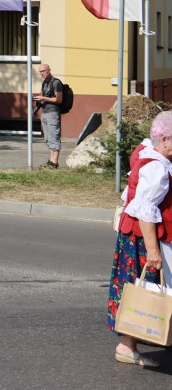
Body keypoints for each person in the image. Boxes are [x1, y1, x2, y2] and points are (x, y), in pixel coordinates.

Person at [108, 112, 172, 369]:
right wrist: (153, 251)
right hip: (144, 239)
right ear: (165, 139)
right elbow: (145, 211)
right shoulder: (155, 166)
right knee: (143, 292)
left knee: (142, 291)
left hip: (138, 237)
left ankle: (128, 345)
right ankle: (127, 346)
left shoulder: (148, 152)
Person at [33, 63, 64, 169]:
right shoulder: (44, 83)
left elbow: (59, 100)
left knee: (54, 137)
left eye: (43, 71)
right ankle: (51, 161)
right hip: (45, 113)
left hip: (53, 113)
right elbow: (42, 95)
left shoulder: (56, 83)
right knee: (48, 138)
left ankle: (55, 163)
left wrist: (44, 98)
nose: (42, 73)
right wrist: (38, 98)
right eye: (40, 72)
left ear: (49, 70)